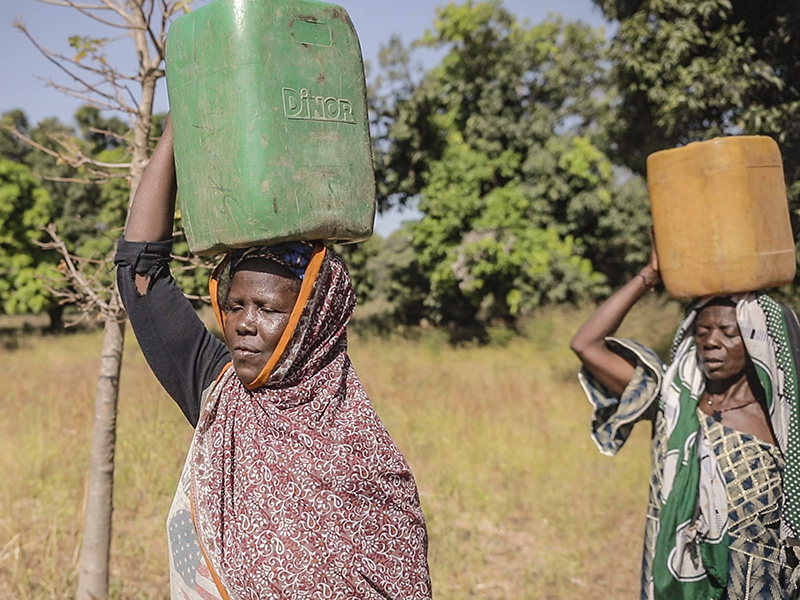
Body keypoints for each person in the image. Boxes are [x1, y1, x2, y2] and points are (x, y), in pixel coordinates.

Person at [114, 116, 432, 600]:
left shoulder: (365, 463)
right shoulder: (222, 397)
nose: (243, 323)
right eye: (235, 304)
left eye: (267, 308)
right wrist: (180, 128)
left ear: (314, 318)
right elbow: (141, 275)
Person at [570, 239, 800, 600]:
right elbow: (587, 345)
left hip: (758, 584)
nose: (711, 342)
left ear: (756, 342)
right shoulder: (673, 401)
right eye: (703, 332)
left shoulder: (780, 420)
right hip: (678, 582)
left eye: (728, 332)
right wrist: (650, 276)